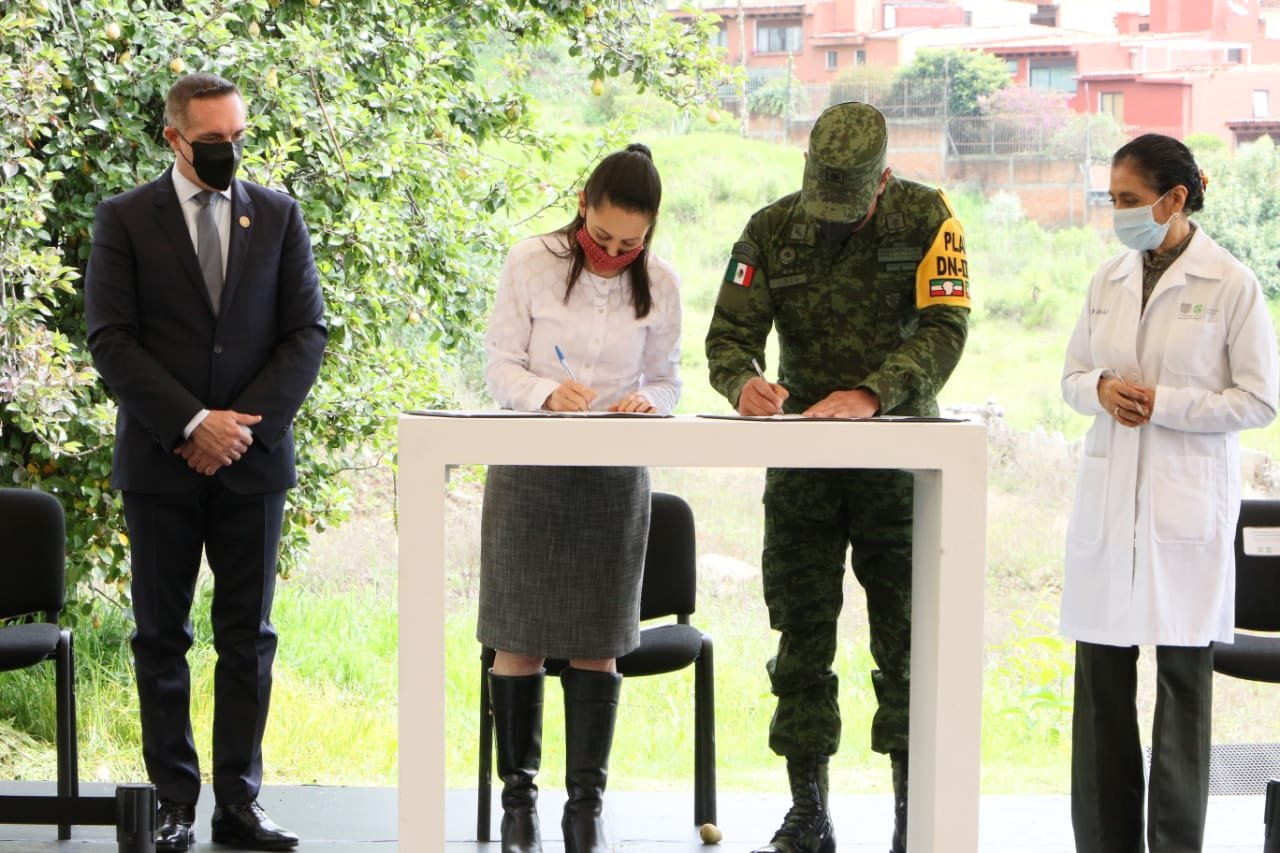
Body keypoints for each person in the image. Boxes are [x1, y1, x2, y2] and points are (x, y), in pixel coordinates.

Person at [705, 102, 970, 853]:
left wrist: (872, 393)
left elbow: (946, 328)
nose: (827, 222)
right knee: (800, 640)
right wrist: (742, 383)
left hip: (900, 464)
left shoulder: (928, 219)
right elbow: (728, 335)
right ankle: (808, 811)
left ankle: (911, 815)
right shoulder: (770, 228)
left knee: (910, 646)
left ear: (882, 179)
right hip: (804, 472)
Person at [84, 73, 326, 852]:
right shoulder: (124, 218)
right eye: (213, 142)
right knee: (162, 637)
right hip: (162, 462)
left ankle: (240, 804)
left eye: (238, 139)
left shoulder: (279, 214)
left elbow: (305, 333)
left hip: (252, 464)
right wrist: (192, 422)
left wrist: (237, 428)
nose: (228, 153)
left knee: (247, 636)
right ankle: (173, 802)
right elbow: (111, 338)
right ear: (174, 139)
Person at [1061, 133, 1278, 852]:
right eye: (1113, 199)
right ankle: (1103, 842)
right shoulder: (1107, 279)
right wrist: (1100, 388)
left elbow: (1259, 400)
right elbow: (1070, 378)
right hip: (1109, 506)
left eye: (1128, 200)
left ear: (1174, 198)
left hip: (1186, 511)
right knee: (1100, 693)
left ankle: (1176, 844)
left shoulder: (1232, 284)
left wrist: (1166, 403)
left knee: (1183, 690)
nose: (1117, 213)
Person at [479, 143, 681, 853]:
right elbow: (498, 363)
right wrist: (542, 393)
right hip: (531, 464)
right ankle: (518, 805)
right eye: (602, 237)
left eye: (631, 242)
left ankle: (585, 809)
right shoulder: (529, 260)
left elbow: (668, 379)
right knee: (519, 636)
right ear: (582, 208)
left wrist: (645, 402)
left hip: (612, 474)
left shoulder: (660, 279)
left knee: (599, 643)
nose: (614, 252)